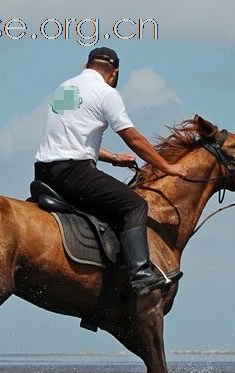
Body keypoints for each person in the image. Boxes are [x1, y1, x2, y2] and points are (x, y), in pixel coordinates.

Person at [34, 47, 188, 295]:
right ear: (113, 74)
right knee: (134, 205)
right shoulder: (106, 93)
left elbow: (71, 135)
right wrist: (167, 166)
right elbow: (133, 139)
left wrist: (113, 158)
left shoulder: (67, 88)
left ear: (86, 66)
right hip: (74, 173)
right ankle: (140, 274)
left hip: (44, 171)